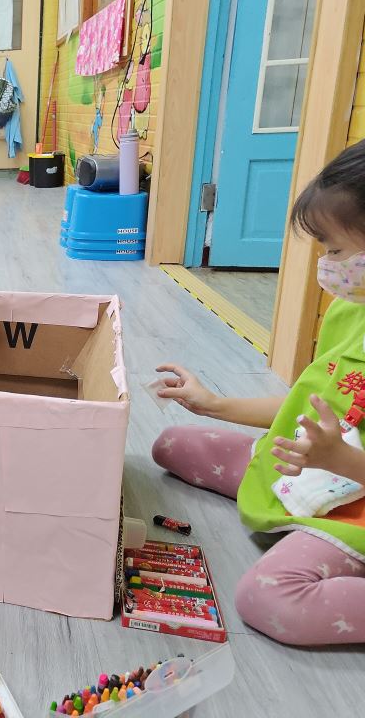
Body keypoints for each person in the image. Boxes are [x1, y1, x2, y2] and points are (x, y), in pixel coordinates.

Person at [151, 140, 365, 646]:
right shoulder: (350, 309)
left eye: (336, 250)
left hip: (353, 498)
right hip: (316, 467)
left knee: (267, 599)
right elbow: (312, 407)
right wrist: (214, 404)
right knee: (170, 444)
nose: (327, 264)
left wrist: (340, 460)